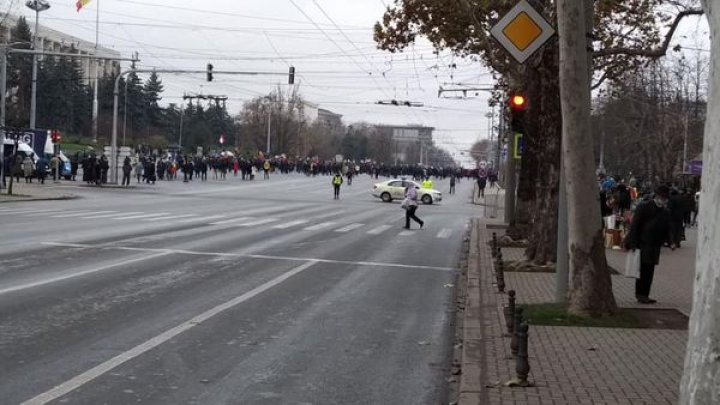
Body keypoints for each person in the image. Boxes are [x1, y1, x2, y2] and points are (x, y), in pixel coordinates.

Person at [624, 185, 671, 304]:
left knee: (650, 270)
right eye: (661, 197)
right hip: (642, 244)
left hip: (655, 245)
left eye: (665, 198)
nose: (663, 200)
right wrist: (633, 243)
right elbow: (635, 225)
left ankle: (645, 294)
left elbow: (666, 229)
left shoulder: (665, 212)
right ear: (656, 196)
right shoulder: (644, 206)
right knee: (642, 270)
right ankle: (640, 294)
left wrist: (671, 242)